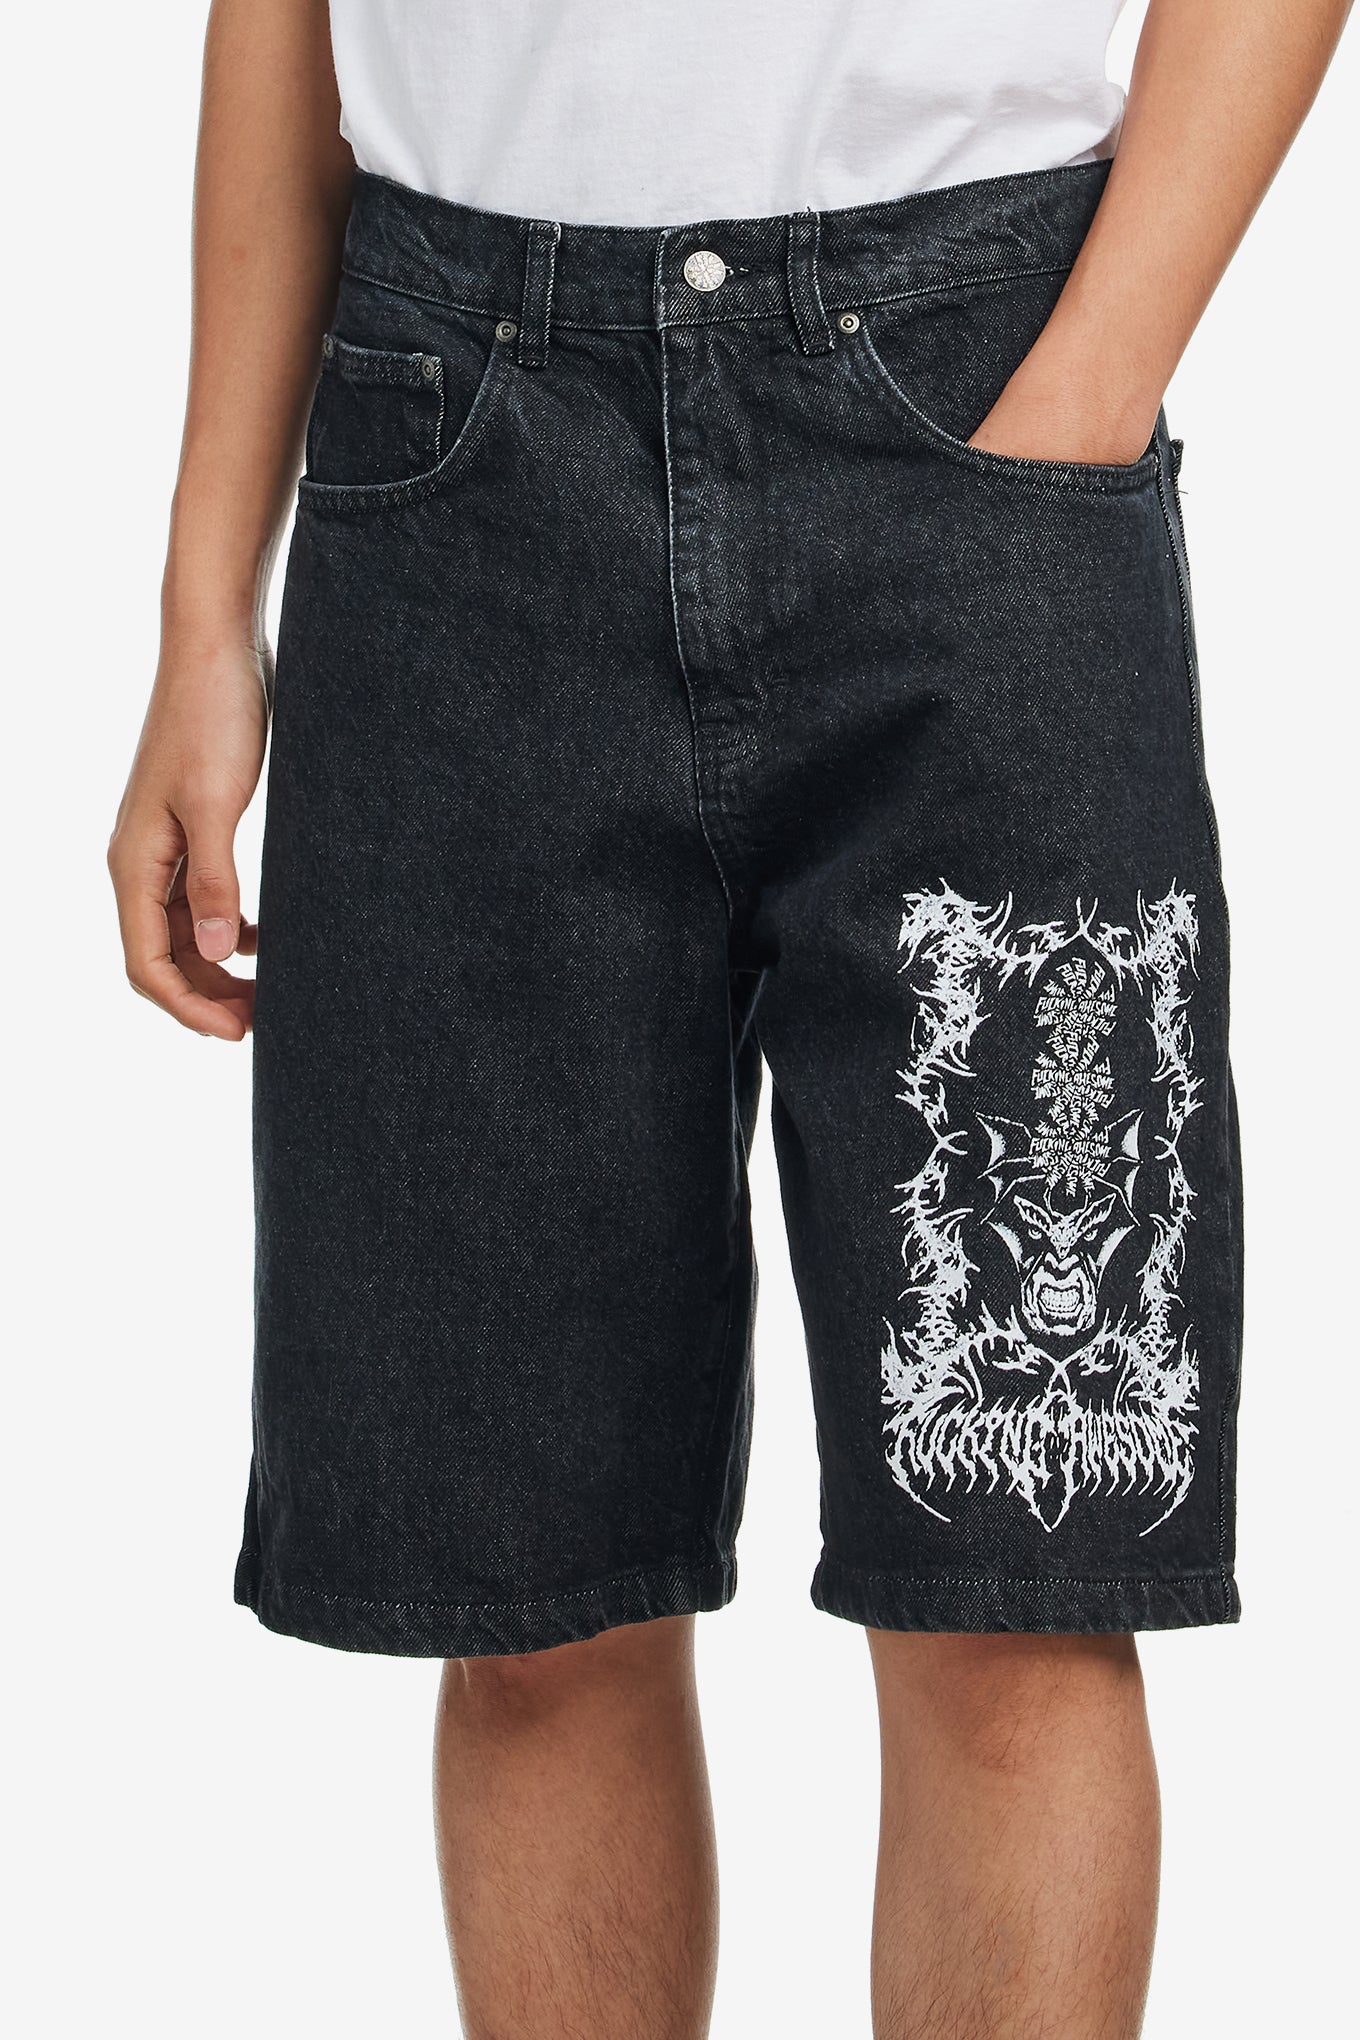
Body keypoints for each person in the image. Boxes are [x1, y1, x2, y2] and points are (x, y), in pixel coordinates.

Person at [107, 3, 1350, 2034]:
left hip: (978, 405)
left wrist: (1086, 382)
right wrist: (199, 617)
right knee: (531, 1599)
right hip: (456, 467)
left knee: (1020, 1562)